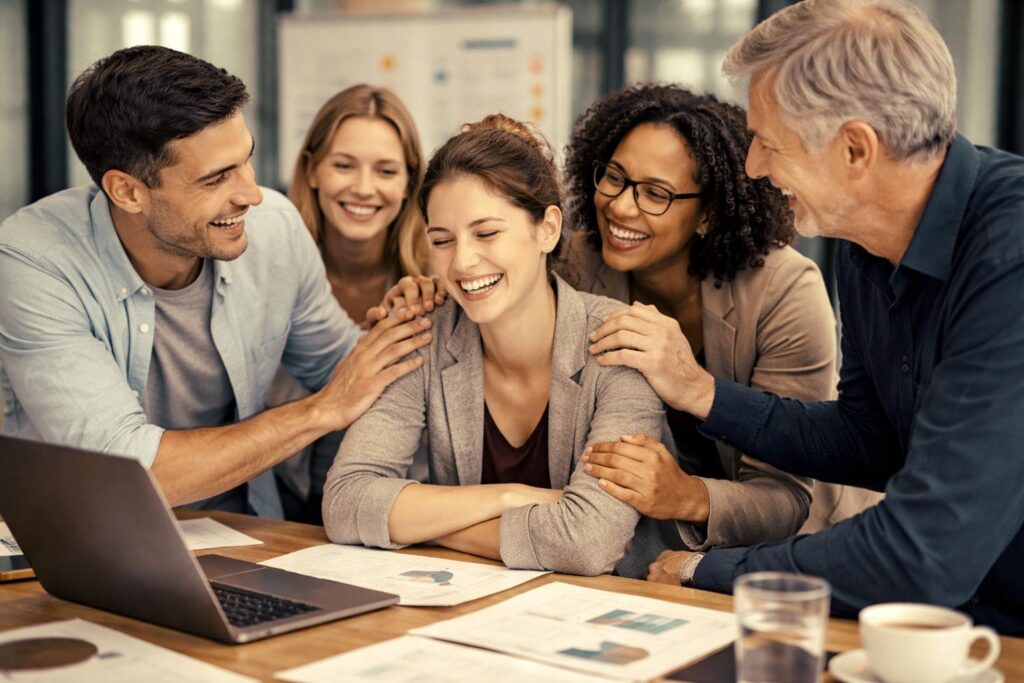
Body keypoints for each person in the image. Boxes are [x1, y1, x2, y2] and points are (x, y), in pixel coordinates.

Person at [635, 0, 1024, 635]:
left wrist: (707, 570)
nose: (753, 166)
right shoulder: (866, 240)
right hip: (950, 633)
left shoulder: (1010, 256)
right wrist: (705, 395)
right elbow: (872, 441)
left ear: (854, 149)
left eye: (768, 142)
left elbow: (924, 555)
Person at [0, 46, 432, 518]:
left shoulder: (275, 229)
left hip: (247, 532)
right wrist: (319, 411)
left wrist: (405, 328)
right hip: (89, 539)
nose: (250, 193)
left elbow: (346, 371)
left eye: (245, 160)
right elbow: (128, 467)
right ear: (127, 191)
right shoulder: (34, 260)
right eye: (216, 178)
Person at [322, 115, 664, 575]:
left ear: (546, 229)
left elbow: (589, 542)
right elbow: (345, 501)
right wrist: (511, 497)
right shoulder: (424, 334)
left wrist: (418, 522)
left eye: (486, 233)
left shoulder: (619, 343)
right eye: (442, 240)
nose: (462, 261)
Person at [564, 84, 881, 576]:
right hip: (645, 552)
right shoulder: (576, 266)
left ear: (708, 214)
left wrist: (685, 495)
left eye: (656, 194)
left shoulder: (785, 290)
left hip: (792, 556)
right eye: (615, 178)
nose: (622, 207)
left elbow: (787, 497)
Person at [270, 84, 435, 521]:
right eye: (344, 165)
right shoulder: (265, 272)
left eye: (385, 171)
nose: (363, 188)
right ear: (312, 171)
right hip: (277, 505)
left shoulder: (437, 284)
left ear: (408, 184)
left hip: (397, 512)